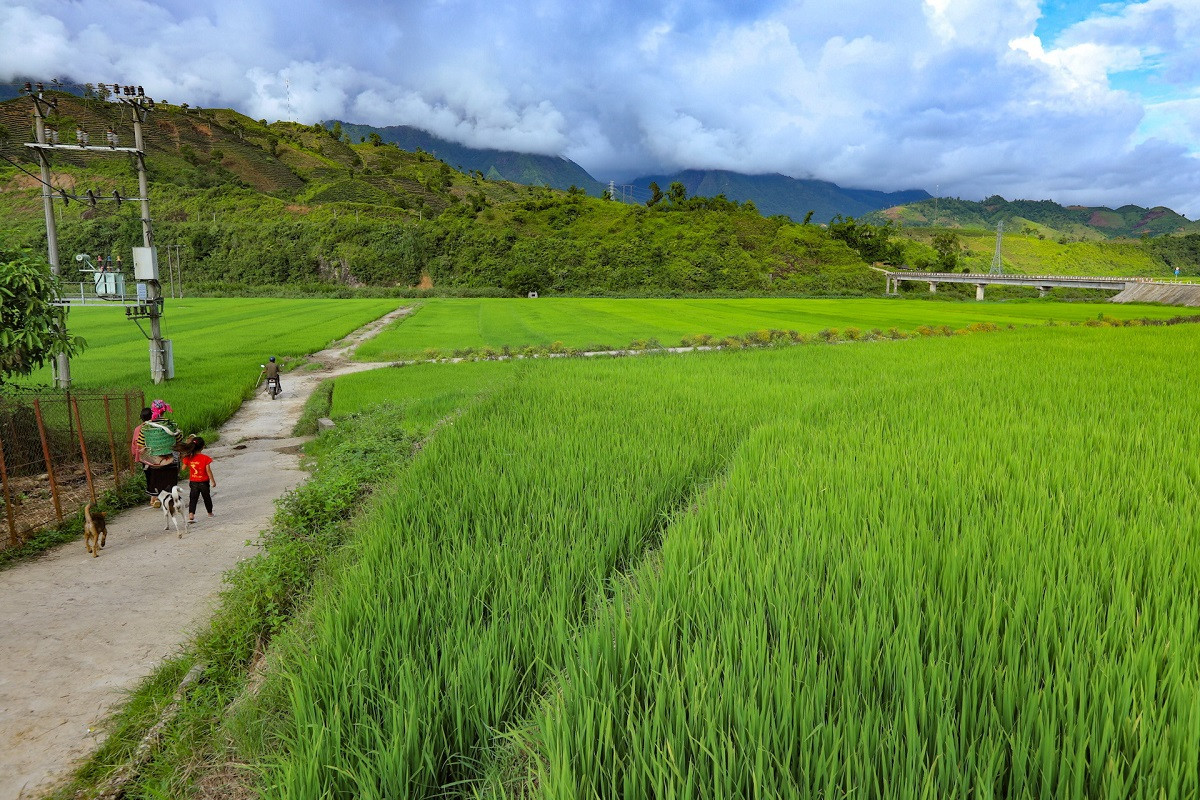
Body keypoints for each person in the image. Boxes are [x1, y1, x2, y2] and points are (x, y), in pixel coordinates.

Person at [136, 399, 183, 502]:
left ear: (152, 410)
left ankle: (157, 498)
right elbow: (179, 440)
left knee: (157, 478)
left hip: (155, 460)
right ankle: (172, 497)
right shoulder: (171, 425)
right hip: (171, 458)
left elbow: (140, 444)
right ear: (164, 410)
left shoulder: (146, 427)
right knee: (171, 478)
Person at [181, 436, 216, 523]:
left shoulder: (189, 457)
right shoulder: (205, 458)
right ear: (203, 447)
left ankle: (191, 515)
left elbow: (183, 468)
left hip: (193, 482)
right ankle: (210, 513)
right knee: (207, 497)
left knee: (193, 498)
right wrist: (213, 481)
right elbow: (208, 471)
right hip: (204, 482)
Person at [130, 407, 155, 504]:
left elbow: (134, 443)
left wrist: (135, 454)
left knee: (148, 475)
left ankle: (152, 496)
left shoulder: (137, 429)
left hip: (143, 457)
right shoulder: (154, 427)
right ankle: (155, 496)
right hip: (155, 455)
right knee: (157, 474)